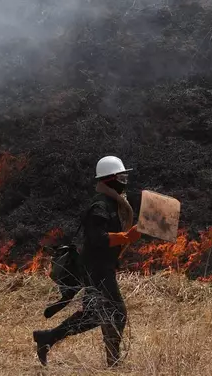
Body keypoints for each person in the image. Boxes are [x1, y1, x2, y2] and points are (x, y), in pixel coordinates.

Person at [32, 156, 141, 367]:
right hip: (96, 269)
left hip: (101, 267)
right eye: (121, 176)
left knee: (93, 315)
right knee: (116, 313)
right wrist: (125, 237)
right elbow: (97, 238)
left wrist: (127, 236)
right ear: (109, 179)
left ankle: (47, 338)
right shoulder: (99, 206)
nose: (124, 180)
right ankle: (113, 361)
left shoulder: (112, 203)